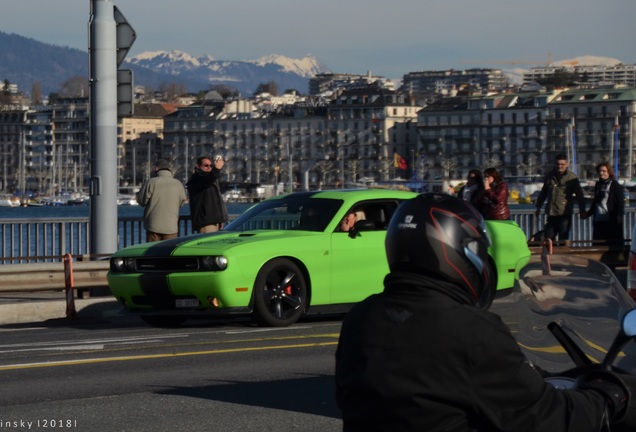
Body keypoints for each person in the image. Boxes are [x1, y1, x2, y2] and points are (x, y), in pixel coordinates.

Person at [335, 193, 634, 432]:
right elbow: (546, 418)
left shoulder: (361, 319)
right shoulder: (470, 330)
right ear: (460, 252)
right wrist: (609, 397)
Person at [535, 153, 587, 245]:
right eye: (558, 164)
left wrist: (582, 210)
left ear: (567, 164)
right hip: (551, 213)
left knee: (563, 239)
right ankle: (551, 257)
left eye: (562, 164)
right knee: (549, 239)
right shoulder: (550, 176)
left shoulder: (572, 178)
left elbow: (580, 196)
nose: (560, 166)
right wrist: (538, 207)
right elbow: (543, 193)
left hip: (564, 214)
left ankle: (563, 257)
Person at [135, 159, 187, 243]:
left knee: (152, 252)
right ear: (169, 169)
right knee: (168, 253)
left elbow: (142, 201)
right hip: (171, 226)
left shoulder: (151, 182)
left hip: (153, 225)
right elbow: (182, 203)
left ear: (156, 168)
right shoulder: (178, 184)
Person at [584, 162, 625, 245]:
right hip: (598, 219)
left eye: (604, 171)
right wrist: (588, 214)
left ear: (609, 172)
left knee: (612, 244)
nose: (601, 173)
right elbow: (595, 202)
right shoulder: (598, 185)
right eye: (600, 171)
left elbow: (620, 202)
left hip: (610, 220)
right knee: (598, 244)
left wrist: (618, 217)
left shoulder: (615, 185)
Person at [186, 155, 229, 233]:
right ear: (198, 166)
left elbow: (217, 202)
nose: (209, 167)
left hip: (213, 221)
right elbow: (206, 181)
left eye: (211, 166)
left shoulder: (212, 181)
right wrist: (216, 169)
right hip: (205, 222)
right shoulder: (197, 178)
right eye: (206, 165)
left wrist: (220, 219)